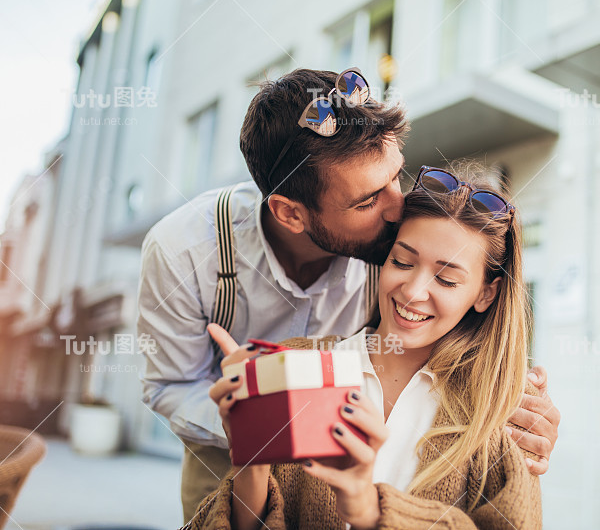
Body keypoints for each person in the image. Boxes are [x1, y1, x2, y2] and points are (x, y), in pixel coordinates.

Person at [136, 68, 560, 522]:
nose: (398, 207)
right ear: (290, 214)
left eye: (396, 176)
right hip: (230, 454)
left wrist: (518, 410)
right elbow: (170, 386)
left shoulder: (396, 235)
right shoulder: (185, 250)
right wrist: (260, 419)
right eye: (368, 201)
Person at [192, 166, 543, 529]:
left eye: (446, 279)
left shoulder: (504, 406)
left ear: (486, 294)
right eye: (402, 262)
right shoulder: (296, 365)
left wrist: (369, 511)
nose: (413, 291)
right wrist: (251, 464)